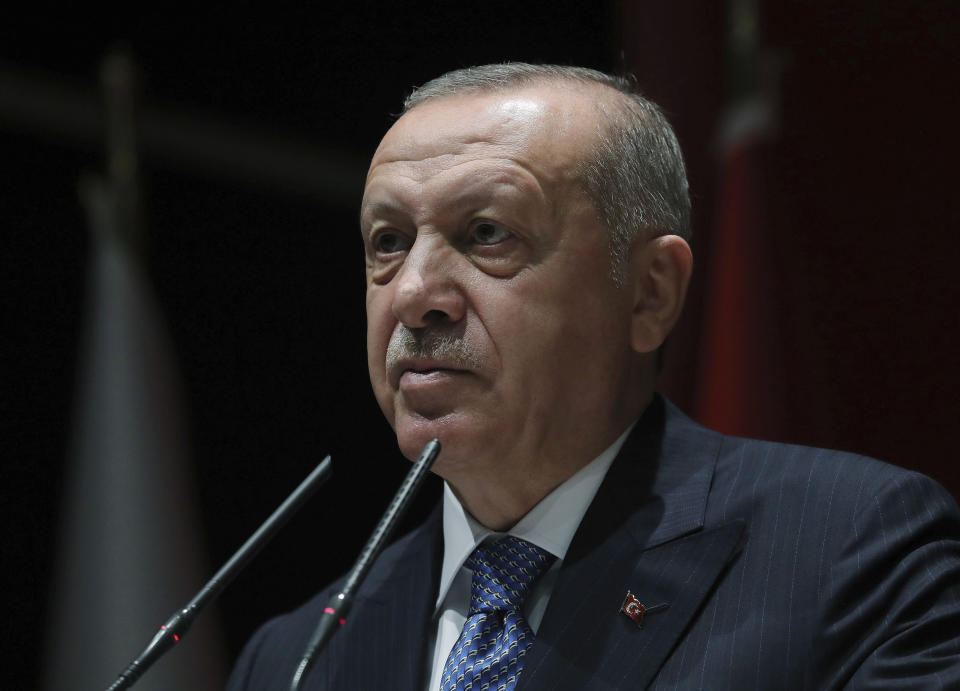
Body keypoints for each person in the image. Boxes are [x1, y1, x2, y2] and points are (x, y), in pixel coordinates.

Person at [227, 64, 960, 690]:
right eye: (388, 242)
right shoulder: (294, 658)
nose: (415, 293)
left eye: (487, 232)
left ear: (649, 292)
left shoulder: (851, 553)